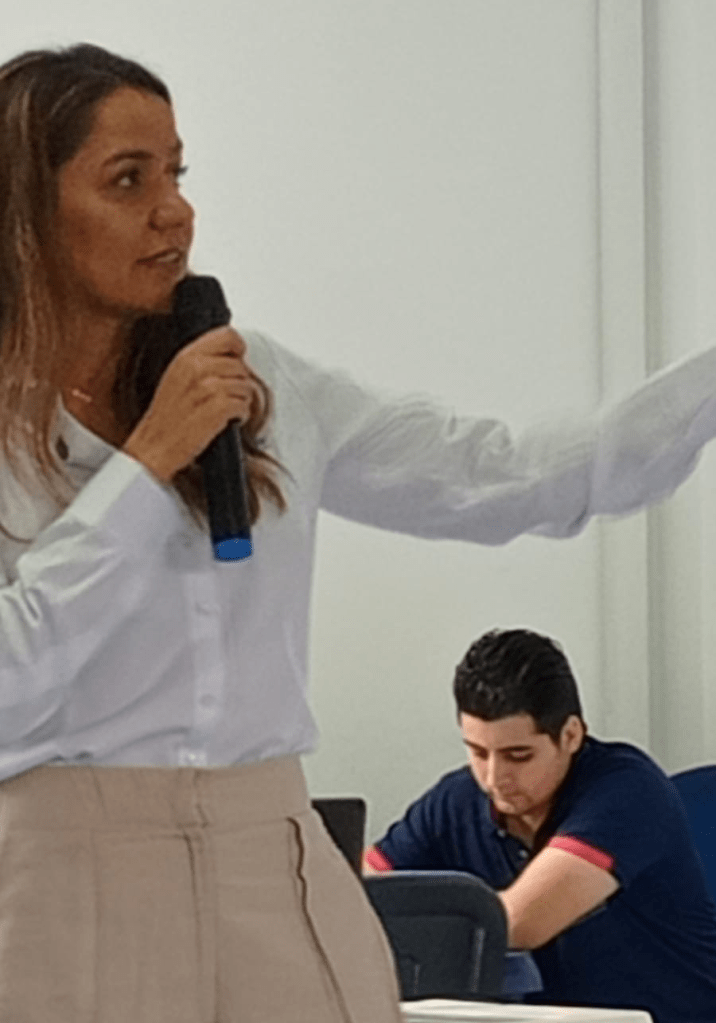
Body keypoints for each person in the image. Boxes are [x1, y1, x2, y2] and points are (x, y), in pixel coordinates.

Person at [2, 40, 716, 1023]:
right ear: (27, 212)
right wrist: (145, 468)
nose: (174, 211)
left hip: (271, 854)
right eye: (128, 179)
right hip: (60, 873)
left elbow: (506, 475)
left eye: (176, 172)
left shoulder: (263, 385)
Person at [363, 628, 716, 1023]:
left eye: (518, 756)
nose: (495, 778)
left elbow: (521, 924)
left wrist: (404, 924)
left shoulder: (627, 790)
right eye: (478, 752)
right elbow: (359, 895)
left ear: (571, 735)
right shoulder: (457, 799)